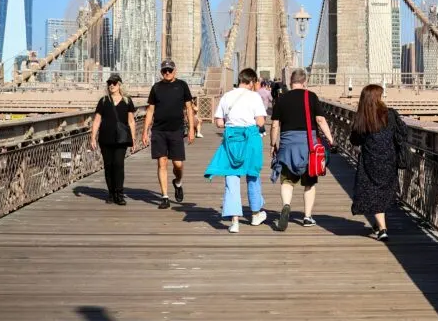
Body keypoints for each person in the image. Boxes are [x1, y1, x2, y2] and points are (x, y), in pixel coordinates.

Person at [270, 67, 334, 231]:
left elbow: (275, 125)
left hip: (287, 145)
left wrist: (273, 144)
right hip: (308, 145)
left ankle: (286, 206)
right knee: (309, 183)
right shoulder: (311, 96)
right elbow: (320, 120)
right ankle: (307, 217)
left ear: (291, 82)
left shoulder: (281, 98)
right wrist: (330, 139)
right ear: (304, 82)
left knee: (287, 181)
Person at [205, 67, 267, 233]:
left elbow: (218, 122)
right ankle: (255, 214)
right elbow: (260, 122)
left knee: (231, 178)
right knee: (253, 174)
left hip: (232, 139)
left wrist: (232, 125)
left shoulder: (227, 96)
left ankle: (234, 222)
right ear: (252, 82)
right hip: (250, 139)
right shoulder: (255, 97)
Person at [349, 83, 407, 242]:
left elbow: (355, 139)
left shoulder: (363, 117)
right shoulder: (391, 115)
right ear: (378, 98)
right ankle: (381, 228)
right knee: (382, 191)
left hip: (370, 160)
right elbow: (403, 132)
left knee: (374, 190)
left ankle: (380, 227)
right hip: (389, 159)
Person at [142, 58, 195, 209]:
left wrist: (191, 128)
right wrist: (145, 132)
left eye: (169, 70)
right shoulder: (156, 88)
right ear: (161, 72)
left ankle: (178, 182)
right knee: (162, 162)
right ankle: (164, 197)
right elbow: (150, 110)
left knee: (178, 164)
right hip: (158, 130)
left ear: (174, 71)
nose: (167, 73)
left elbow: (189, 108)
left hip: (176, 130)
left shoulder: (182, 85)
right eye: (164, 70)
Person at [90, 74, 137, 205]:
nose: (111, 85)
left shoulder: (127, 101)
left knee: (119, 165)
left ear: (120, 85)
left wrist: (133, 139)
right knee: (108, 166)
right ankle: (111, 193)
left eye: (114, 83)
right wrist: (93, 137)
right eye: (109, 83)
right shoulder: (103, 101)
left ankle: (120, 194)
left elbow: (131, 121)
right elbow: (97, 120)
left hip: (121, 139)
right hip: (105, 138)